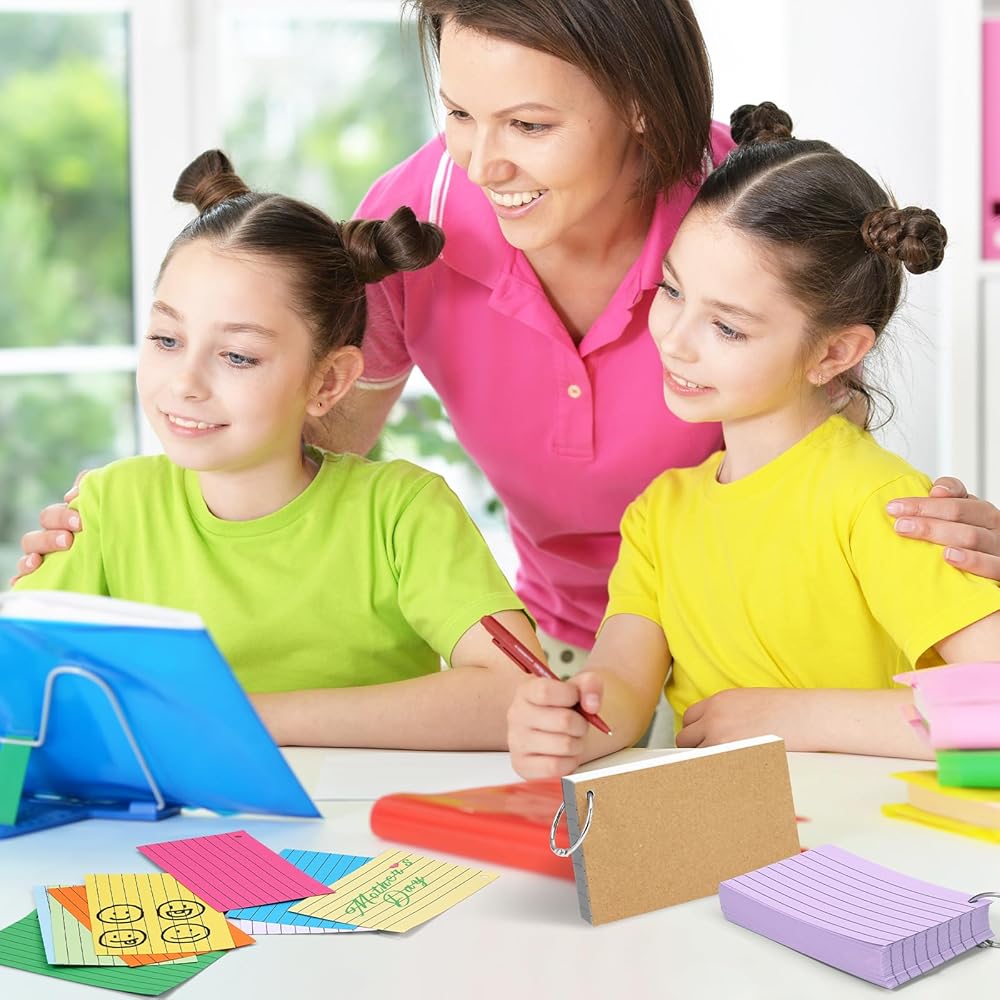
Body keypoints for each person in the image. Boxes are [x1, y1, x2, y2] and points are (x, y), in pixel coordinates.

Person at [17, 1, 1000, 685]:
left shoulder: (734, 211)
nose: (484, 163)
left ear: (640, 104)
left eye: (529, 124)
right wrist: (127, 535)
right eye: (456, 113)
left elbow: (819, 460)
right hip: (567, 653)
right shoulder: (413, 221)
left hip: (758, 658)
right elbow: (306, 454)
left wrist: (931, 557)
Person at [506, 102, 1000, 777]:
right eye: (672, 290)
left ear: (834, 352)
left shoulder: (883, 505)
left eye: (728, 327)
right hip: (727, 827)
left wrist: (795, 718)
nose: (675, 340)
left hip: (870, 835)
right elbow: (620, 686)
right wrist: (572, 721)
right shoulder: (661, 515)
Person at [13, 149, 544, 750]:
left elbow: (518, 694)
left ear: (329, 382)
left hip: (370, 811)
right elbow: (20, 688)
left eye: (238, 356)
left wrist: (238, 717)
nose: (185, 382)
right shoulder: (107, 508)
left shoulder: (403, 512)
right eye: (166, 338)